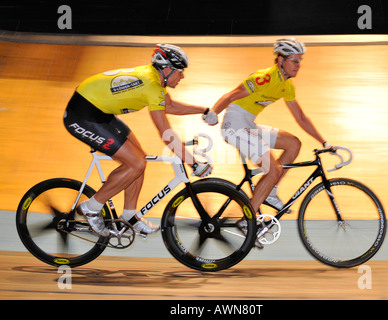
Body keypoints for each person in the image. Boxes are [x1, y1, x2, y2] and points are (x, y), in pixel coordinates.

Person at [64, 44, 212, 237]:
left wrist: (204, 110)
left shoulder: (153, 79)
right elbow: (166, 134)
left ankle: (129, 217)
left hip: (99, 110)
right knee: (136, 163)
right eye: (180, 71)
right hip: (83, 115)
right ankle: (91, 207)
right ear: (167, 70)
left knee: (139, 160)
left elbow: (170, 105)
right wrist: (193, 162)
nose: (182, 76)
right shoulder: (151, 85)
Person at [203, 38, 332, 216]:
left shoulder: (287, 86)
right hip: (234, 125)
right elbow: (232, 94)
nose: (298, 65)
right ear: (281, 60)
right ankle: (247, 221)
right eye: (294, 61)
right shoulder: (264, 78)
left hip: (247, 124)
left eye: (300, 61)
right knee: (273, 170)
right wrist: (213, 113)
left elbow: (301, 118)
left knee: (293, 144)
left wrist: (325, 142)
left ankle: (270, 191)